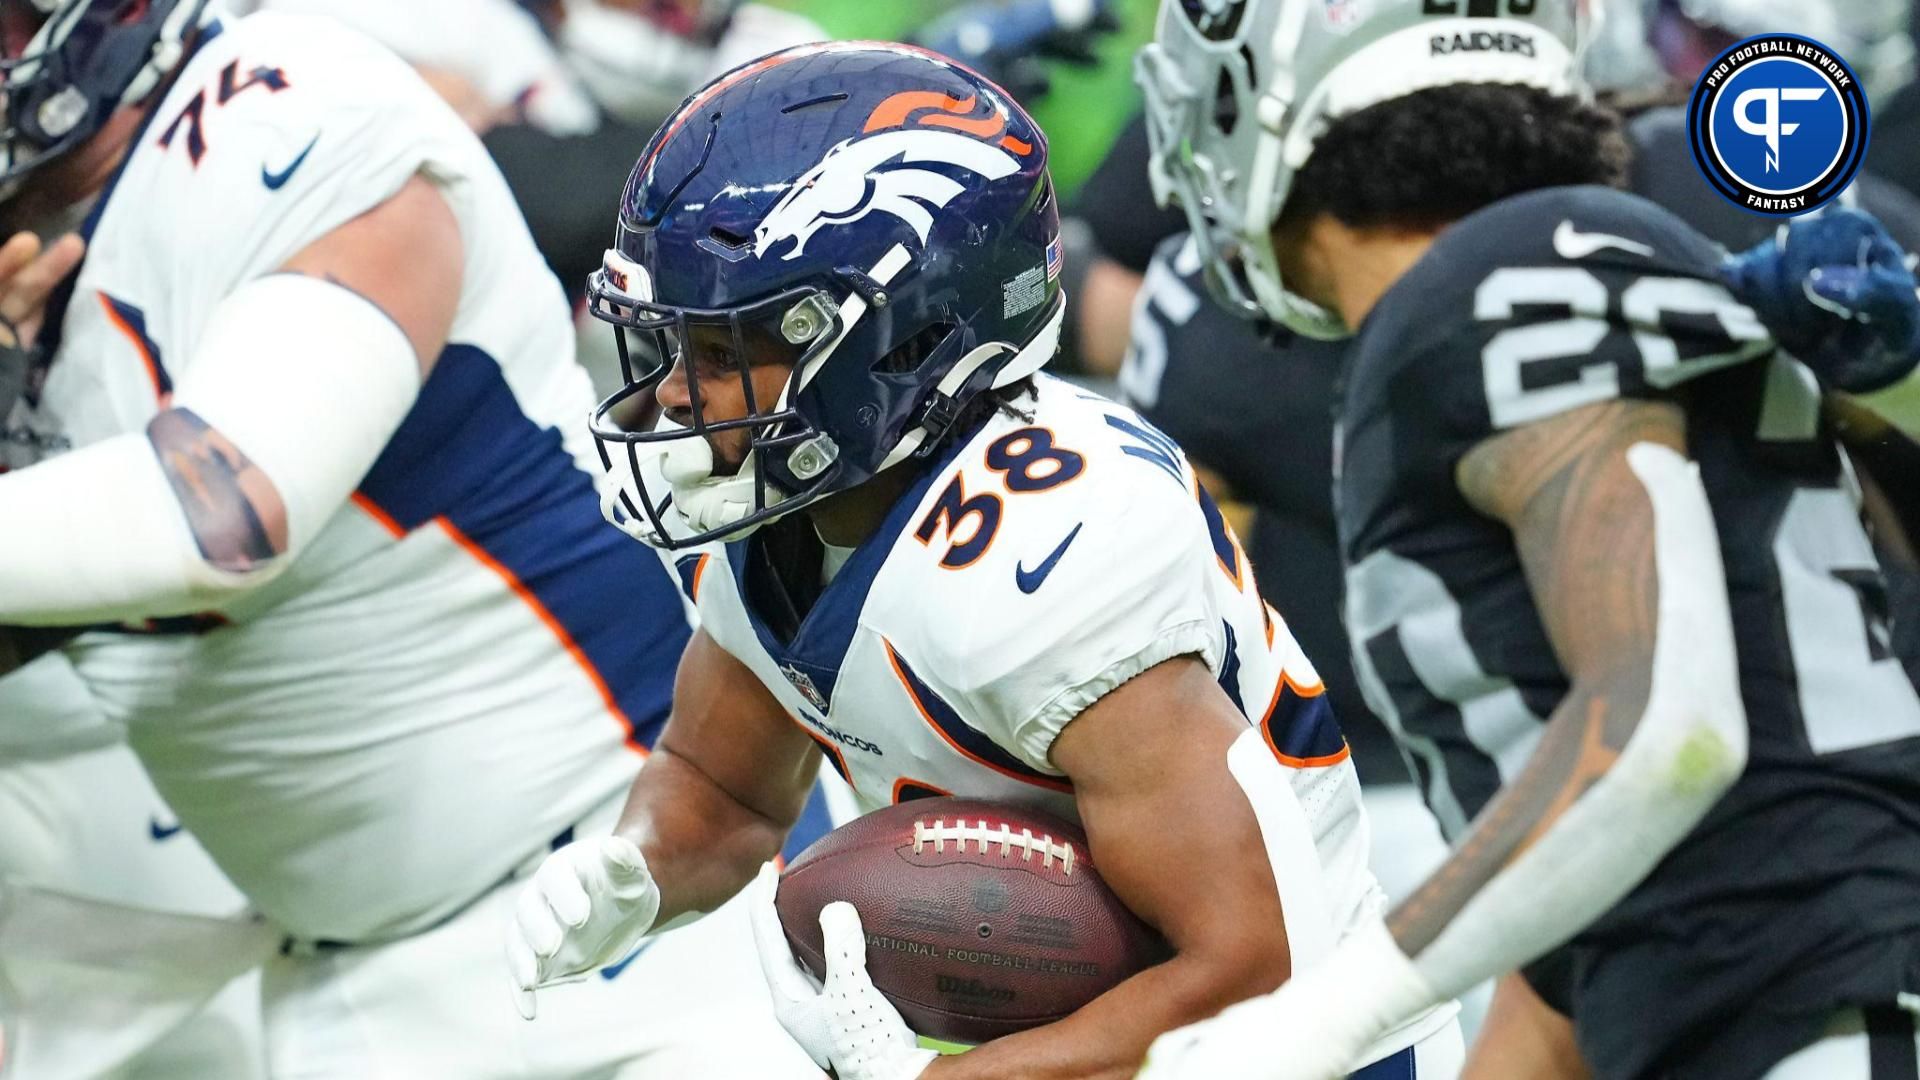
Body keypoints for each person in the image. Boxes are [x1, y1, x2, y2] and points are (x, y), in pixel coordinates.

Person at [503, 40, 1463, 1080]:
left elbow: (1252, 965)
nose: (679, 395)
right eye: (676, 345)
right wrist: (634, 868)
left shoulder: (1048, 560)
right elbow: (721, 789)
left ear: (905, 342)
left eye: (729, 349)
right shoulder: (776, 497)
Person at [0, 2, 817, 1076]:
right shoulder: (41, 269)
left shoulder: (282, 105)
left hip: (639, 900)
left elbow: (220, 517)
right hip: (340, 977)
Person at [1134, 0, 1920, 1077]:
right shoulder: (1558, 269)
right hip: (1778, 988)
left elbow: (1663, 734)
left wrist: (1307, 1025)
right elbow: (1560, 987)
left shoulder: (1483, 285)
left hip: (1817, 1002)